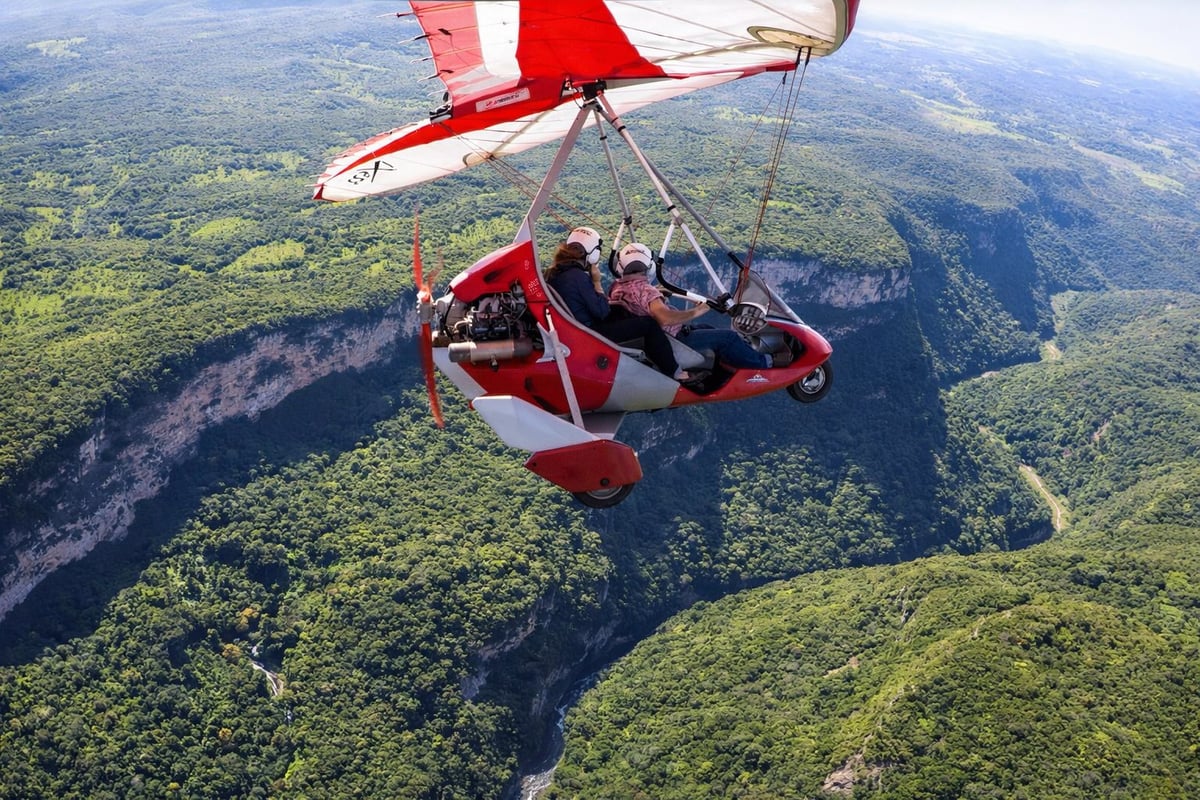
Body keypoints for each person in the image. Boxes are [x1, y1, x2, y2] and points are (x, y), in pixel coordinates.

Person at [608, 243, 792, 370]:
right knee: (728, 338)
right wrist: (697, 310)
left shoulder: (617, 287)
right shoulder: (646, 292)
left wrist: (658, 294)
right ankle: (767, 361)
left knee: (708, 329)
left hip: (662, 337)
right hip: (674, 341)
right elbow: (663, 317)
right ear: (649, 266)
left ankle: (732, 359)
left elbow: (638, 301)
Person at [545, 228, 688, 379]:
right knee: (648, 324)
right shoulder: (578, 277)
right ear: (592, 252)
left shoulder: (555, 272)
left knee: (620, 311)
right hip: (588, 333)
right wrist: (597, 282)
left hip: (573, 329)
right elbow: (602, 311)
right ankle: (674, 372)